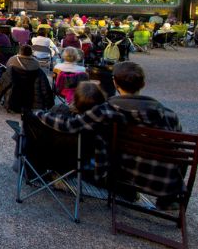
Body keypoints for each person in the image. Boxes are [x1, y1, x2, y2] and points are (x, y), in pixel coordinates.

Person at [36, 62, 183, 208]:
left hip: (122, 177)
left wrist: (39, 114)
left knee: (88, 159)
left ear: (115, 82)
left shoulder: (106, 110)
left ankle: (123, 190)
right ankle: (168, 201)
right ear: (143, 84)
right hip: (164, 182)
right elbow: (180, 153)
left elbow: (70, 125)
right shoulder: (170, 115)